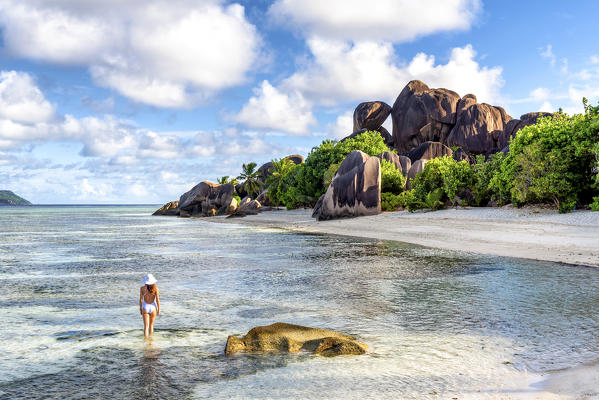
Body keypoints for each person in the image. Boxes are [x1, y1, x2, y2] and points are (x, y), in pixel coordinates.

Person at [140, 274, 160, 338]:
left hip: (145, 307)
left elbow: (141, 299)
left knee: (146, 326)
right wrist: (158, 309)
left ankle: (145, 341)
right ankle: (151, 341)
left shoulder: (142, 288)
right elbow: (157, 300)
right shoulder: (155, 288)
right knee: (151, 326)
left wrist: (140, 308)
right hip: (153, 307)